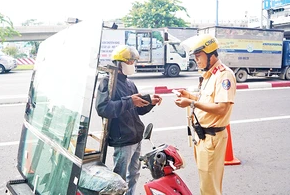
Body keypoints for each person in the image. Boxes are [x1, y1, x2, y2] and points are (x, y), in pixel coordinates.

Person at [95, 45, 162, 195]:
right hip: (122, 139)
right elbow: (103, 108)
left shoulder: (129, 83)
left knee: (134, 174)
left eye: (134, 62)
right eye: (131, 62)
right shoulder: (108, 82)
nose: (133, 65)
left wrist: (150, 103)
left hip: (136, 136)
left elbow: (137, 109)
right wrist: (130, 101)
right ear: (119, 63)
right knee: (119, 178)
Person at [175, 34, 236, 195]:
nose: (196, 60)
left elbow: (221, 108)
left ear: (211, 54)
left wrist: (191, 103)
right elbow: (208, 101)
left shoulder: (224, 75)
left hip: (212, 138)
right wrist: (190, 96)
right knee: (206, 183)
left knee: (210, 188)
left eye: (198, 56)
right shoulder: (209, 75)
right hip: (203, 138)